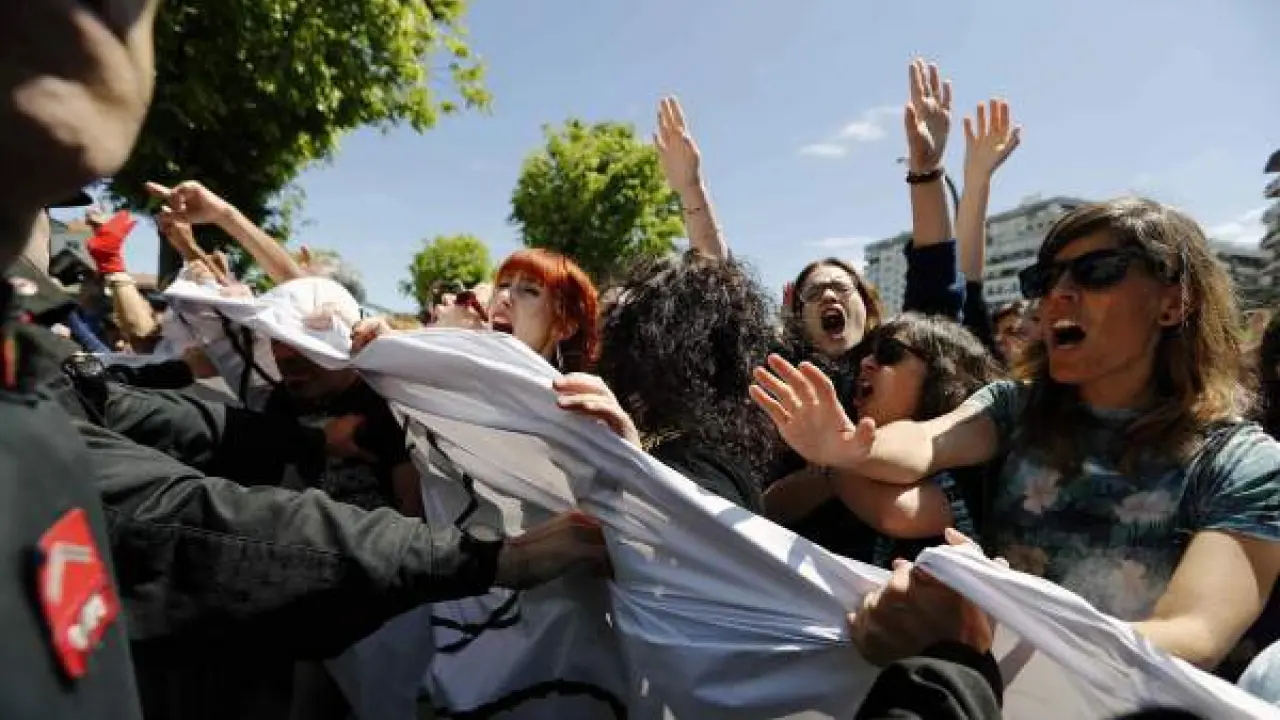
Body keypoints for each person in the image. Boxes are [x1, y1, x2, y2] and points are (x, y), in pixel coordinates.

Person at [0, 4, 608, 720]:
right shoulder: (384, 383)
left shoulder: (566, 404)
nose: (496, 299)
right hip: (402, 629)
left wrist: (615, 451)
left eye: (527, 290)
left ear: (569, 319)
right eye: (500, 283)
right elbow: (194, 492)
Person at [753, 197, 1280, 673]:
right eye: (1044, 280)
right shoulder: (1013, 407)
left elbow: (1193, 637)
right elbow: (925, 442)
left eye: (1096, 272)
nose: (1057, 296)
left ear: (1174, 301)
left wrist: (988, 629)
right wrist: (850, 447)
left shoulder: (1243, 464)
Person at [764, 314, 1002, 566]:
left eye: (889, 353)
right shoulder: (842, 461)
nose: (865, 363)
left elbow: (897, 514)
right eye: (866, 354)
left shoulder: (972, 464)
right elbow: (770, 508)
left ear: (944, 372)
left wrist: (837, 459)